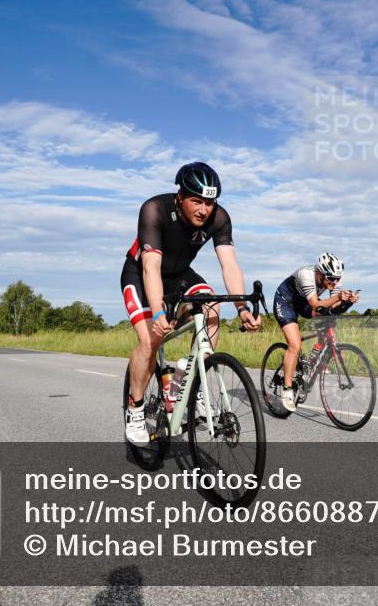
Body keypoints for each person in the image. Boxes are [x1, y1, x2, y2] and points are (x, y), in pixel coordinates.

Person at [120, 162, 261, 444]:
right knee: (151, 341)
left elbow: (229, 265)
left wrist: (242, 308)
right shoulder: (155, 209)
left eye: (210, 202)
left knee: (211, 307)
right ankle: (135, 409)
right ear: (180, 196)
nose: (204, 210)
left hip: (181, 275)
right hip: (141, 274)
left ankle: (193, 381)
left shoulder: (219, 218)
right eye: (197, 201)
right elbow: (150, 267)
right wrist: (158, 311)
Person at [272, 253, 359, 411]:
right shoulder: (306, 275)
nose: (335, 282)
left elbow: (333, 306)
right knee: (295, 345)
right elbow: (314, 304)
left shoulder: (333, 279)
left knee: (328, 318)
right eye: (331, 278)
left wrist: (347, 302)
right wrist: (338, 297)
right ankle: (287, 389)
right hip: (285, 302)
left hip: (303, 303)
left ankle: (313, 358)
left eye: (338, 278)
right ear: (320, 272)